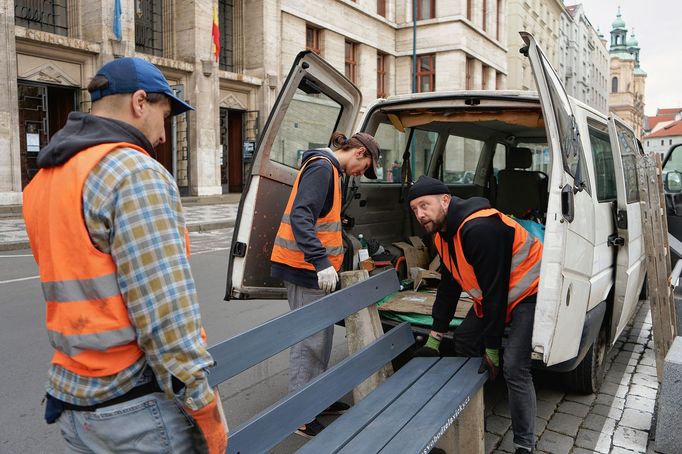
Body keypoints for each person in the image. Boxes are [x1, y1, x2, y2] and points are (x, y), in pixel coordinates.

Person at [23, 58, 227, 453]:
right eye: (164, 116)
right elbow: (165, 313)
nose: (163, 135)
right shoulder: (133, 172)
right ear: (139, 103)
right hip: (135, 409)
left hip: (76, 403)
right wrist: (204, 408)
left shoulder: (46, 179)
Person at [408, 175, 542, 454]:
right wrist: (435, 336)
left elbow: (495, 292)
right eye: (415, 209)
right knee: (465, 340)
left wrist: (492, 347)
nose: (420, 214)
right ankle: (472, 408)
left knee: (514, 366)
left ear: (445, 200)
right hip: (497, 297)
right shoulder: (443, 233)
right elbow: (449, 285)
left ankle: (524, 444)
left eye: (425, 205)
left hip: (529, 292)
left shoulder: (479, 228)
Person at [270, 131, 381, 438]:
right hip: (305, 269)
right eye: (365, 167)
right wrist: (320, 261)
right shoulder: (322, 168)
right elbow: (301, 216)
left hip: (312, 269)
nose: (361, 175)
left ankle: (318, 398)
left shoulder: (329, 169)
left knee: (322, 337)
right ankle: (301, 415)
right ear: (358, 153)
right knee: (309, 342)